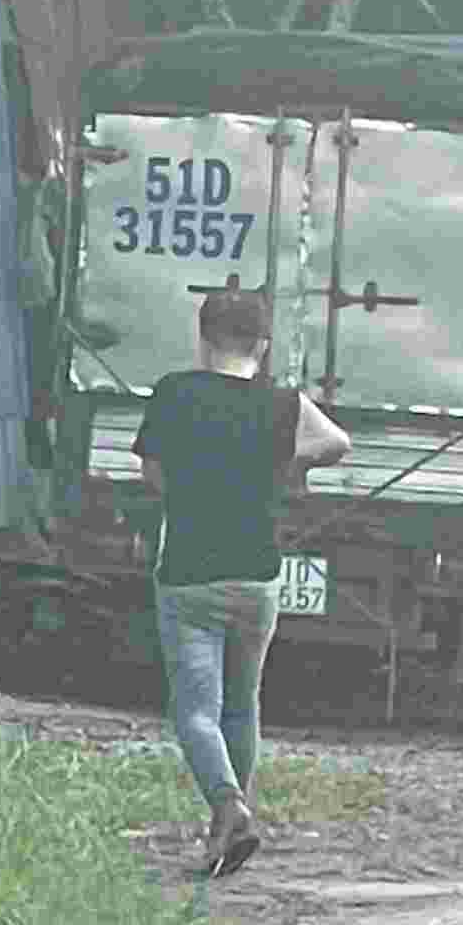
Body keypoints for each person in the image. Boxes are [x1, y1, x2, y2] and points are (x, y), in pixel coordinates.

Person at [131, 288, 354, 879]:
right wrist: (289, 464)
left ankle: (229, 806)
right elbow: (338, 442)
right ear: (263, 343)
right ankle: (230, 824)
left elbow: (152, 474)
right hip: (258, 576)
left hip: (188, 574)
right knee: (241, 705)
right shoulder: (282, 404)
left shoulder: (174, 392)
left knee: (195, 711)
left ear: (203, 337)